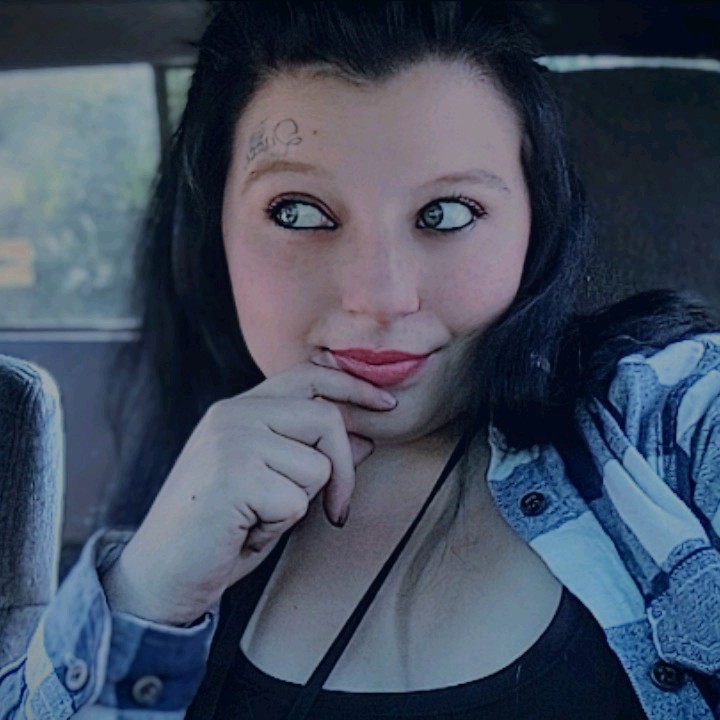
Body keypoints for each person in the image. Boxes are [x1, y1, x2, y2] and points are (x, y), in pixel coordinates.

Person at [2, 1, 720, 718]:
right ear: (213, 228)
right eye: (298, 212)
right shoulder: (174, 518)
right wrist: (142, 599)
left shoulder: (666, 425)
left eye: (447, 213)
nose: (381, 298)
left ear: (536, 223)